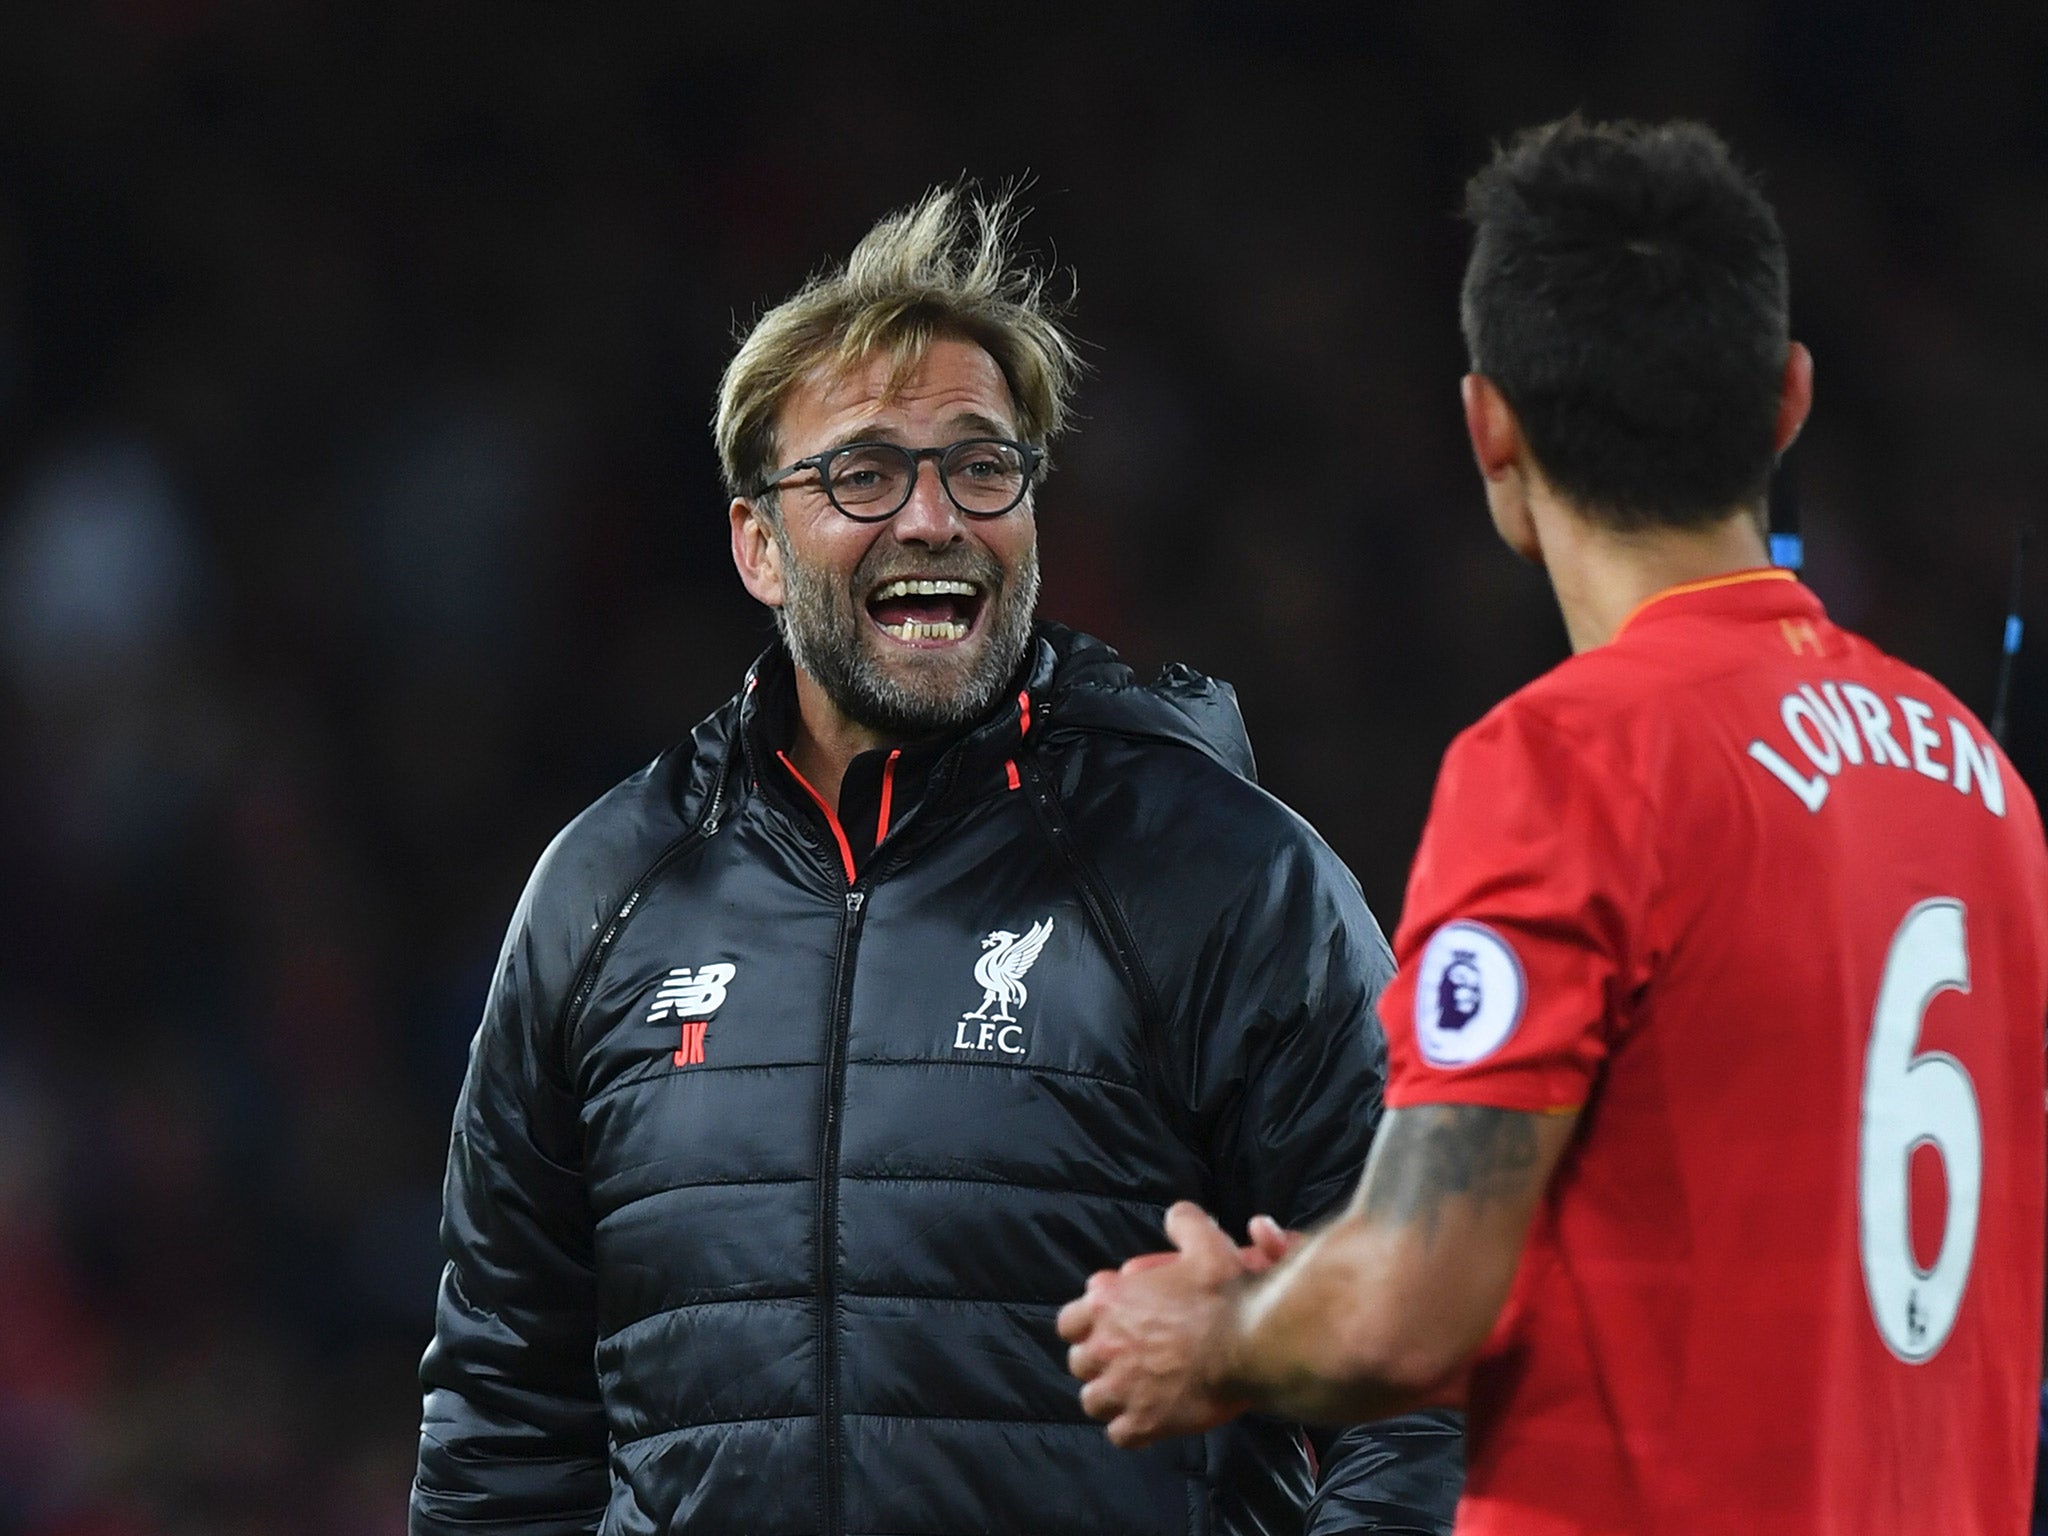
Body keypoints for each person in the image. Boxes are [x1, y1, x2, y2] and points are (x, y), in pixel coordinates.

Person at [409, 186, 1462, 1536]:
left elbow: (1419, 1352)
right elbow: (505, 1417)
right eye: (861, 473)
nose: (932, 519)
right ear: (756, 544)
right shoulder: (605, 894)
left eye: (980, 466)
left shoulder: (1221, 877)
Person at [1059, 117, 2048, 1536]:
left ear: (1489, 425)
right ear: (1787, 400)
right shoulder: (1978, 781)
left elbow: (1408, 1315)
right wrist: (1319, 1282)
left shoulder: (1573, 763)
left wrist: (1217, 1334)